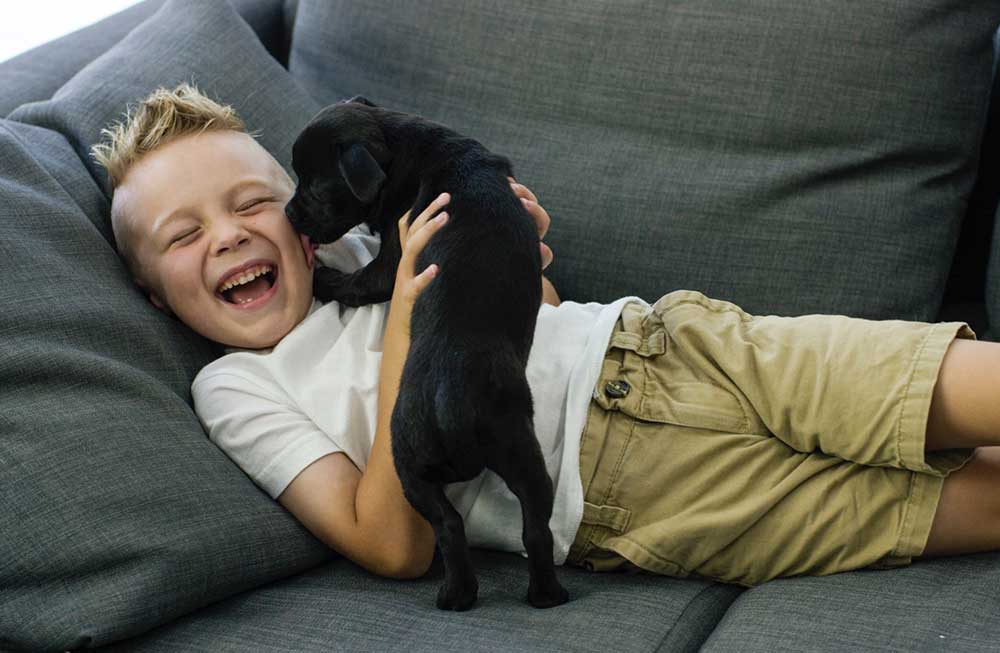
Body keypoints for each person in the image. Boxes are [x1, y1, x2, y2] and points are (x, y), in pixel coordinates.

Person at [91, 83, 1000, 589]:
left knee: (926, 381)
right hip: (621, 492)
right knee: (965, 504)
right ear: (154, 294)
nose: (231, 234)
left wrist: (511, 255)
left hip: (662, 344)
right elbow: (394, 544)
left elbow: (538, 315)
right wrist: (412, 309)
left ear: (305, 217)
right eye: (184, 235)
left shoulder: (377, 240)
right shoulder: (237, 391)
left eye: (252, 202)